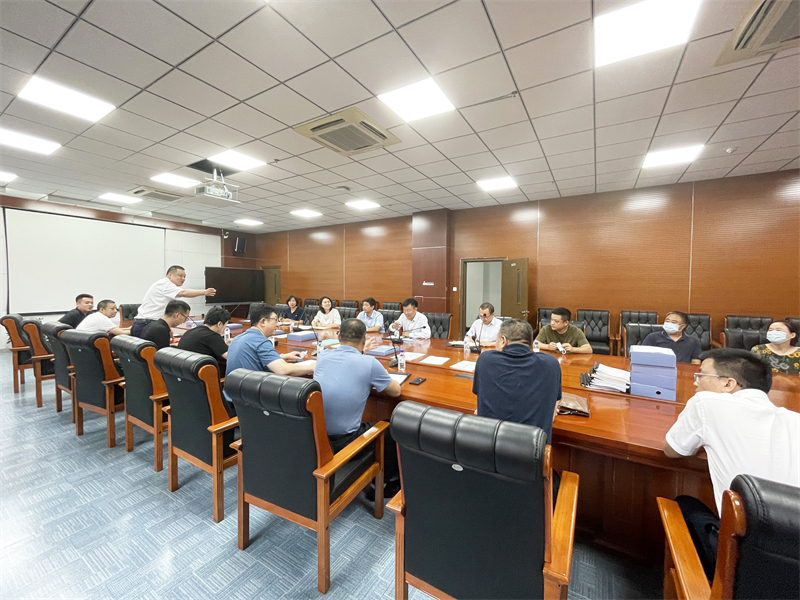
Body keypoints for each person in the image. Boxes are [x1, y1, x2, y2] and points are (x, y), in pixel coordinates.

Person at [663, 348, 800, 579]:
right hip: (791, 563)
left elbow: (672, 450)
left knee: (684, 504)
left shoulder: (707, 403)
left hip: (741, 563)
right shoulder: (794, 421)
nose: (696, 382)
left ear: (728, 384)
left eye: (701, 375)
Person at [314, 318, 402, 499]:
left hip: (317, 437)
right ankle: (382, 484)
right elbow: (396, 391)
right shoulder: (369, 363)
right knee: (390, 428)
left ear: (339, 337)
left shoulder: (322, 356)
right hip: (345, 441)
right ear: (364, 339)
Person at [473, 319, 562, 442]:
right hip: (532, 446)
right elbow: (553, 409)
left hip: (490, 444)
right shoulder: (551, 364)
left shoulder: (485, 360)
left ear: (503, 340)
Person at [224, 303, 314, 403]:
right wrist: (312, 367)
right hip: (252, 400)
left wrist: (283, 357)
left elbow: (254, 358)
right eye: (275, 320)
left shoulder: (237, 339)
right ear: (263, 321)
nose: (278, 324)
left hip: (231, 396)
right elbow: (283, 370)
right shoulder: (260, 341)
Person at [131, 265, 216, 337]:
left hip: (148, 323)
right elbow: (184, 293)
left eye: (184, 277)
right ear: (169, 275)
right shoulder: (165, 284)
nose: (183, 279)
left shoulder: (165, 285)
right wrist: (204, 292)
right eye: (180, 276)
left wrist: (167, 328)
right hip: (147, 324)